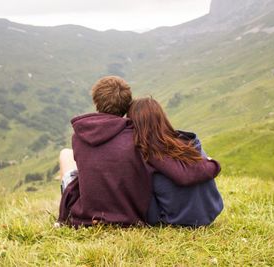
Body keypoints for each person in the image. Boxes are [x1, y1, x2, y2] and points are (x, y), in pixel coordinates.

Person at [58, 76, 221, 227]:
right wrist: (213, 164)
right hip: (128, 213)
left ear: (96, 102)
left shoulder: (79, 136)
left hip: (86, 212)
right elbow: (181, 173)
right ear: (127, 104)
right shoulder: (137, 138)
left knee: (66, 154)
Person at [127, 97, 223, 227]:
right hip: (209, 213)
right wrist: (213, 164)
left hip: (177, 219)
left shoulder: (148, 152)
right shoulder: (189, 143)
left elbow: (182, 176)